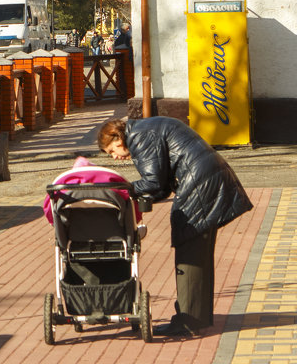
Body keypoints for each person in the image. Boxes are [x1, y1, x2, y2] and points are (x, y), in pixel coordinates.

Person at [97, 116, 252, 337]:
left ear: (117, 138)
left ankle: (188, 321)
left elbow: (153, 182)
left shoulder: (138, 135)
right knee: (198, 252)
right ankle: (196, 316)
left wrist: (119, 189)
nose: (115, 157)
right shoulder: (144, 129)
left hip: (198, 185)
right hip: (206, 179)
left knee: (189, 252)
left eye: (112, 151)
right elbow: (160, 186)